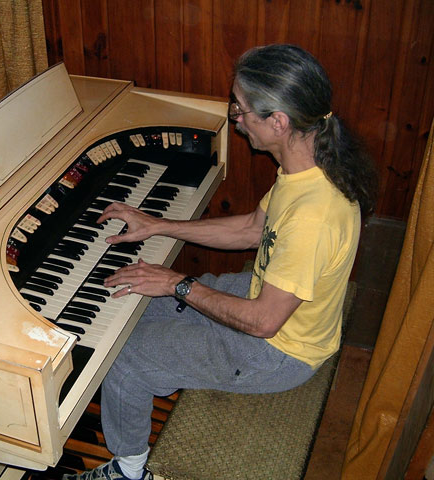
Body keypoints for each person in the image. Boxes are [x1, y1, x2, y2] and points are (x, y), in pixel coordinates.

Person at [62, 44, 377, 480]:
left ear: (278, 122)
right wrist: (157, 225)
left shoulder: (315, 215)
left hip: (279, 353)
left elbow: (264, 323)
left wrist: (177, 283)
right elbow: (251, 228)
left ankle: (130, 471)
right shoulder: (305, 166)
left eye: (243, 109)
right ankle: (166, 367)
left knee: (124, 356)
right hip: (271, 311)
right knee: (125, 305)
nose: (236, 117)